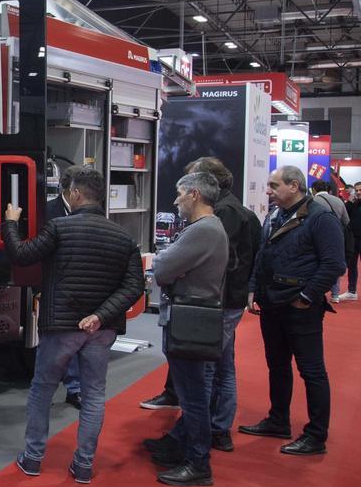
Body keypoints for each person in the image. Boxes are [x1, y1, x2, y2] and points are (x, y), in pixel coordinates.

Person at [2, 165, 144, 484]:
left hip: (61, 326)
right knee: (94, 394)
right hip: (101, 330)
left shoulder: (59, 228)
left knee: (42, 390)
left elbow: (21, 255)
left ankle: (33, 458)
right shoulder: (124, 238)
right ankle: (83, 465)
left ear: (76, 193)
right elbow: (134, 287)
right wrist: (101, 315)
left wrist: (11, 223)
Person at [142, 157, 261, 451]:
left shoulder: (215, 221)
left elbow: (170, 267)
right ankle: (198, 435)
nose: (177, 198)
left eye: (183, 189)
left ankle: (205, 440)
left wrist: (174, 266)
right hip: (215, 303)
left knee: (204, 378)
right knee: (213, 371)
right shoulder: (223, 215)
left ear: (199, 189)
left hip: (210, 306)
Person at [240, 167, 345, 456]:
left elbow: (335, 264)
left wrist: (306, 297)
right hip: (272, 303)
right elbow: (261, 255)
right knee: (277, 365)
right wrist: (252, 289)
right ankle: (278, 420)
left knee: (311, 371)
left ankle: (316, 436)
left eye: (274, 185)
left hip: (301, 308)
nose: (268, 191)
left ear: (294, 186)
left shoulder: (320, 217)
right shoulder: (273, 216)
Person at [146, 172, 229, 487]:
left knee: (192, 397)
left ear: (194, 194)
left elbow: (163, 269)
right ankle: (180, 445)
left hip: (190, 320)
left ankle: (198, 463)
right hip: (190, 318)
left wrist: (164, 261)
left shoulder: (203, 230)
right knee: (191, 392)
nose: (176, 200)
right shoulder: (208, 228)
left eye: (180, 194)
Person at [46, 165, 83, 410]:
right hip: (56, 285)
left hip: (84, 285)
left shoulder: (93, 212)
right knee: (59, 342)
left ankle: (76, 388)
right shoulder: (48, 211)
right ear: (73, 191)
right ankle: (72, 387)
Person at [311, 180, 352, 303]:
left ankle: (316, 293)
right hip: (337, 236)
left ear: (313, 190)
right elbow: (346, 220)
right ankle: (335, 295)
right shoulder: (338, 201)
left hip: (316, 237)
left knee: (316, 263)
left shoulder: (312, 202)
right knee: (334, 262)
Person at [345, 183, 361, 300]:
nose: (358, 192)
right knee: (352, 265)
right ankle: (352, 291)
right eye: (357, 190)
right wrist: (349, 201)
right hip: (353, 239)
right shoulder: (353, 204)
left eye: (360, 190)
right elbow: (345, 215)